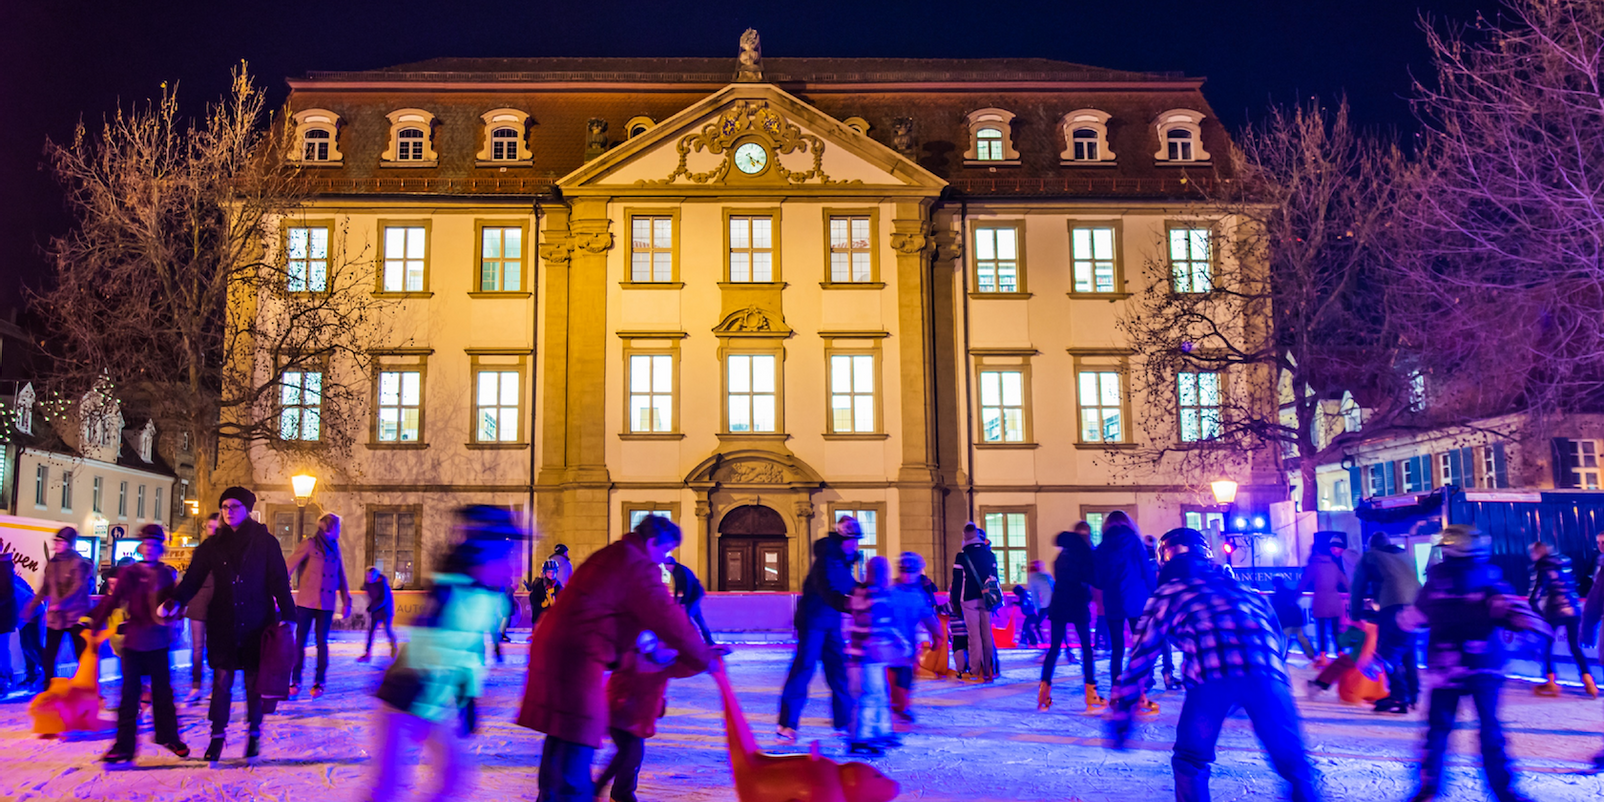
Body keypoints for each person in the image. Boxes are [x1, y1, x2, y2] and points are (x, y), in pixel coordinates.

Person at [1107, 527, 1319, 802]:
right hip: (1267, 676)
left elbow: (1141, 657)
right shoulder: (1244, 589)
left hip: (1211, 679)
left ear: (1164, 562)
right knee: (1296, 767)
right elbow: (1277, 638)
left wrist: (1123, 715)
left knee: (1190, 760)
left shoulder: (1169, 592)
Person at [518, 515, 713, 802]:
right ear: (651, 542)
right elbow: (669, 618)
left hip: (558, 648)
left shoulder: (614, 554)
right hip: (577, 655)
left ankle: (553, 795)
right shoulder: (637, 564)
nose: (664, 560)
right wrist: (705, 657)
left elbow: (612, 613)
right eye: (665, 550)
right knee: (576, 733)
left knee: (560, 734)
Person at [367, 505, 526, 802]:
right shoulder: (461, 589)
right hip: (408, 696)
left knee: (452, 777)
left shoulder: (480, 590)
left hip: (427, 700)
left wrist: (468, 697)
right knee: (390, 786)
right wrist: (452, 702)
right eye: (506, 547)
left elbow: (469, 651)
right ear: (486, 546)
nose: (512, 557)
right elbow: (436, 649)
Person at [1409, 525, 1552, 802]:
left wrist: (1383, 655)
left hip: (1445, 667)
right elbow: (1511, 610)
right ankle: (1503, 789)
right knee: (1490, 728)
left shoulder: (1436, 583)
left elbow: (1412, 619)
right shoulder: (1489, 578)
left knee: (1439, 729)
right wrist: (1534, 627)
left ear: (1449, 550)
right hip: (1484, 665)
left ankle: (1428, 789)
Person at [164, 486, 297, 762]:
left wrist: (290, 616)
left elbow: (279, 582)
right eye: (225, 507)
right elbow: (193, 579)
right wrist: (175, 600)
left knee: (252, 684)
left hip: (256, 624)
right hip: (223, 623)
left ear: (247, 509)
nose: (229, 512)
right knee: (222, 683)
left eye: (235, 506)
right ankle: (217, 736)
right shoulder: (212, 545)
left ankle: (254, 733)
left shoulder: (265, 542)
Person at [88, 524, 188, 764]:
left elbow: (175, 603)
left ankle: (168, 735)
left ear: (160, 548)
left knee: (163, 693)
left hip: (158, 642)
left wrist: (174, 611)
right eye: (147, 544)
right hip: (134, 643)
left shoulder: (166, 574)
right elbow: (113, 600)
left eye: (155, 545)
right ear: (142, 547)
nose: (150, 549)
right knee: (129, 695)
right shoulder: (131, 573)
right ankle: (124, 746)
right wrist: (94, 621)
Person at [596, 630, 727, 802]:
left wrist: (707, 658)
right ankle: (602, 789)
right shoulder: (635, 656)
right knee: (628, 753)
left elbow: (682, 668)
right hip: (620, 712)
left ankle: (620, 792)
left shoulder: (665, 661)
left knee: (633, 755)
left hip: (635, 716)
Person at [775, 516, 861, 742]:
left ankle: (843, 721)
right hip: (812, 622)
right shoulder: (826, 560)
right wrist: (846, 603)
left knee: (838, 670)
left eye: (857, 541)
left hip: (831, 623)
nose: (856, 545)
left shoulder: (842, 562)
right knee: (804, 668)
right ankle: (786, 724)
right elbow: (826, 588)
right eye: (852, 540)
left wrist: (871, 591)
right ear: (841, 539)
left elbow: (850, 586)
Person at [1351, 532, 1423, 713]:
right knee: (1408, 651)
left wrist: (1355, 615)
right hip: (1415, 605)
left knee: (1388, 651)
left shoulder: (1370, 556)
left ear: (1371, 546)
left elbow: (1358, 586)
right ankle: (1413, 694)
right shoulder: (1404, 554)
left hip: (1391, 606)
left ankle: (1398, 696)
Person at [1094, 511, 1157, 710]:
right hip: (1135, 600)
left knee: (1117, 649)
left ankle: (1115, 690)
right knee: (1138, 647)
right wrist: (1155, 592)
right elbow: (1146, 571)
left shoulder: (1103, 547)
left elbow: (1098, 579)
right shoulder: (1135, 542)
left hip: (1113, 601)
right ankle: (1140, 692)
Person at [287, 511, 353, 698]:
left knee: (322, 642)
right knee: (300, 641)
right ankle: (296, 679)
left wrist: (346, 601)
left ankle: (319, 680)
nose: (340, 530)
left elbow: (341, 575)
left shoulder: (336, 548)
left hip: (326, 603)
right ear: (330, 528)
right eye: (338, 527)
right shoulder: (310, 544)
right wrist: (280, 588)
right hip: (307, 602)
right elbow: (289, 565)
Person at [844, 556, 901, 755]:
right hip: (869, 657)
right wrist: (897, 645)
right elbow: (879, 625)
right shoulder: (877, 595)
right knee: (869, 697)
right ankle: (861, 737)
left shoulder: (860, 593)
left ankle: (880, 730)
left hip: (860, 657)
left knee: (878, 695)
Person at [1041, 525, 1101, 712]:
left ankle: (1044, 692)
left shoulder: (1062, 555)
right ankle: (1091, 693)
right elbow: (1094, 579)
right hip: (1077, 604)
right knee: (1086, 649)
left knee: (1054, 649)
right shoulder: (1084, 553)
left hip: (1059, 603)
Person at [21, 528, 92, 684]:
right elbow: (45, 587)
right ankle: (49, 684)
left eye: (61, 541)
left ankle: (86, 685)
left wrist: (60, 604)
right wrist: (31, 606)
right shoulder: (52, 563)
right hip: (56, 618)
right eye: (56, 541)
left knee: (81, 653)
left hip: (75, 616)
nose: (57, 544)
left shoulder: (77, 563)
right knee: (50, 653)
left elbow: (77, 588)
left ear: (69, 544)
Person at [1527, 540, 1596, 697]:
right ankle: (1589, 681)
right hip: (1574, 609)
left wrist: (1539, 615)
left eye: (1532, 552)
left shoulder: (1541, 567)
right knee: (1575, 647)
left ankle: (1551, 682)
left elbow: (1534, 596)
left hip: (1554, 611)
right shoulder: (1563, 564)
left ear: (1538, 553)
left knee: (1545, 644)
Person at [888, 552, 939, 723]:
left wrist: (937, 634)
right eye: (905, 571)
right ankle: (897, 706)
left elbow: (928, 615)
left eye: (911, 572)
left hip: (907, 645)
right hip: (889, 645)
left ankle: (900, 705)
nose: (908, 576)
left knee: (906, 675)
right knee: (895, 676)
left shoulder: (918, 594)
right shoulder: (891, 592)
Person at [951, 522, 1000, 683]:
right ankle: (989, 669)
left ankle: (975, 669)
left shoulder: (962, 556)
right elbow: (995, 578)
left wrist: (955, 603)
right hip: (987, 599)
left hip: (969, 599)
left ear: (966, 536)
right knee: (987, 634)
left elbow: (957, 582)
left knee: (974, 636)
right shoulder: (990, 555)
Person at [183, 513, 220, 704]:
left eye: (215, 527)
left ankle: (216, 687)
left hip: (219, 603)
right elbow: (192, 577)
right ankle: (196, 686)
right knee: (197, 649)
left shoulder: (226, 551)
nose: (212, 531)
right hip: (199, 603)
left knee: (216, 648)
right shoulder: (200, 551)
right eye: (209, 527)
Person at [1298, 536, 1349, 665]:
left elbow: (1303, 584)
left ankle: (1323, 657)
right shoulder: (1333, 565)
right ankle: (1340, 654)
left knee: (1321, 631)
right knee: (1335, 631)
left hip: (1320, 601)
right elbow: (1346, 583)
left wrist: (1292, 598)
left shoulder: (1313, 565)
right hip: (1334, 602)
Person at [2, 555, 45, 694]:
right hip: (24, 613)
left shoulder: (6, 574)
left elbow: (18, 594)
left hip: (30, 612)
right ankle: (33, 674)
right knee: (26, 646)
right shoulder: (10, 574)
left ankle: (46, 673)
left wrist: (30, 609)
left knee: (32, 645)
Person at [665, 555, 715, 644]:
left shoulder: (679, 571)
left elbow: (688, 586)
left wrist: (683, 602)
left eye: (666, 566)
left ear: (670, 564)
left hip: (695, 595)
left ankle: (693, 640)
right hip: (694, 595)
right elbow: (678, 586)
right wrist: (676, 600)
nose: (665, 569)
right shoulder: (676, 570)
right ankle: (708, 641)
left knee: (686, 618)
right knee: (698, 618)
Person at [1272, 577, 1316, 661]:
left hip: (1286, 622)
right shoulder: (1289, 592)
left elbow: (1278, 611)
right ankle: (1311, 655)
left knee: (1285, 640)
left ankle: (1281, 656)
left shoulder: (1277, 596)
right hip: (1296, 620)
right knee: (1302, 638)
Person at [358, 567, 396, 663]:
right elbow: (369, 592)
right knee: (371, 631)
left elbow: (384, 599)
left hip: (386, 611)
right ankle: (367, 654)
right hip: (375, 610)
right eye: (367, 576)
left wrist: (372, 607)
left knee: (387, 629)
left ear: (376, 576)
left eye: (371, 576)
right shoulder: (368, 584)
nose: (368, 578)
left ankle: (393, 647)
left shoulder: (383, 584)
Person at [525, 559, 564, 632]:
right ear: (545, 572)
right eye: (549, 571)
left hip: (553, 618)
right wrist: (541, 604)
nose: (551, 574)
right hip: (539, 617)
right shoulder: (539, 585)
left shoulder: (558, 586)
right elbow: (533, 599)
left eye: (553, 571)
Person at [1025, 560, 1052, 645]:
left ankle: (1044, 642)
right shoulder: (1046, 575)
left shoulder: (1033, 578)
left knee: (1037, 625)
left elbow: (1035, 596)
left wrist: (1037, 610)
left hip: (1046, 604)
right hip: (1056, 601)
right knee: (1058, 624)